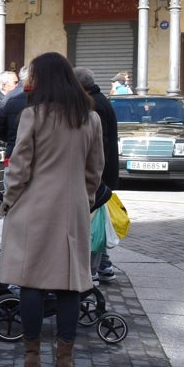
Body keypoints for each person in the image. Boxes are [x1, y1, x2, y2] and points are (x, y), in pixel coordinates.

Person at [0, 53, 104, 367]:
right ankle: (65, 361)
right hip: (72, 209)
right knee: (69, 285)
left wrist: (9, 202)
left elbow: (20, 166)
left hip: (34, 206)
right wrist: (83, 201)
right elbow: (94, 170)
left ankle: (31, 357)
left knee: (31, 281)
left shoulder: (34, 115)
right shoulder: (90, 118)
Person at [74, 66, 120, 284]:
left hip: (99, 173)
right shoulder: (100, 100)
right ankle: (104, 265)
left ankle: (95, 268)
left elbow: (98, 146)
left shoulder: (94, 106)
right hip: (103, 172)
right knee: (96, 223)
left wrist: (95, 180)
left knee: (93, 224)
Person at [0, 64, 30, 160]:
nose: (18, 85)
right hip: (0, 148)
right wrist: (8, 139)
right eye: (15, 82)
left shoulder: (13, 98)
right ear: (4, 85)